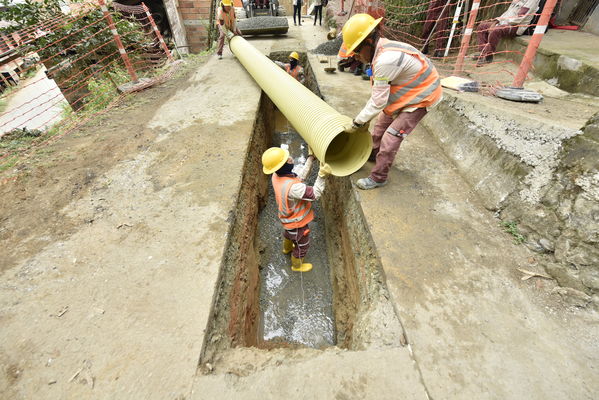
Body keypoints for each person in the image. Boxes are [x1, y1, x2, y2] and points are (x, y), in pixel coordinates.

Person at [342, 13, 442, 190]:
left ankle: (379, 177)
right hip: (407, 92)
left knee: (391, 137)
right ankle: (372, 154)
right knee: (380, 126)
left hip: (422, 97)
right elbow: (380, 98)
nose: (356, 56)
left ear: (369, 41)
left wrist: (357, 122)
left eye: (357, 50)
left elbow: (378, 101)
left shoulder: (385, 60)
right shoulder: (380, 51)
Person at [261, 147, 331, 272]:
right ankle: (297, 266)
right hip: (297, 223)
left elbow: (299, 176)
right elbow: (315, 194)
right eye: (287, 159)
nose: (291, 158)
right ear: (283, 166)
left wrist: (310, 159)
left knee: (289, 235)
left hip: (287, 220)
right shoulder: (293, 188)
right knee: (302, 245)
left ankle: (287, 249)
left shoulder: (276, 176)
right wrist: (322, 176)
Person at [475, 0, 541, 64]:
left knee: (495, 30)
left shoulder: (532, 1)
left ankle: (488, 56)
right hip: (503, 22)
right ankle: (482, 52)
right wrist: (496, 21)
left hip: (516, 26)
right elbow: (508, 12)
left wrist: (500, 24)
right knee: (481, 27)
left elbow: (519, 18)